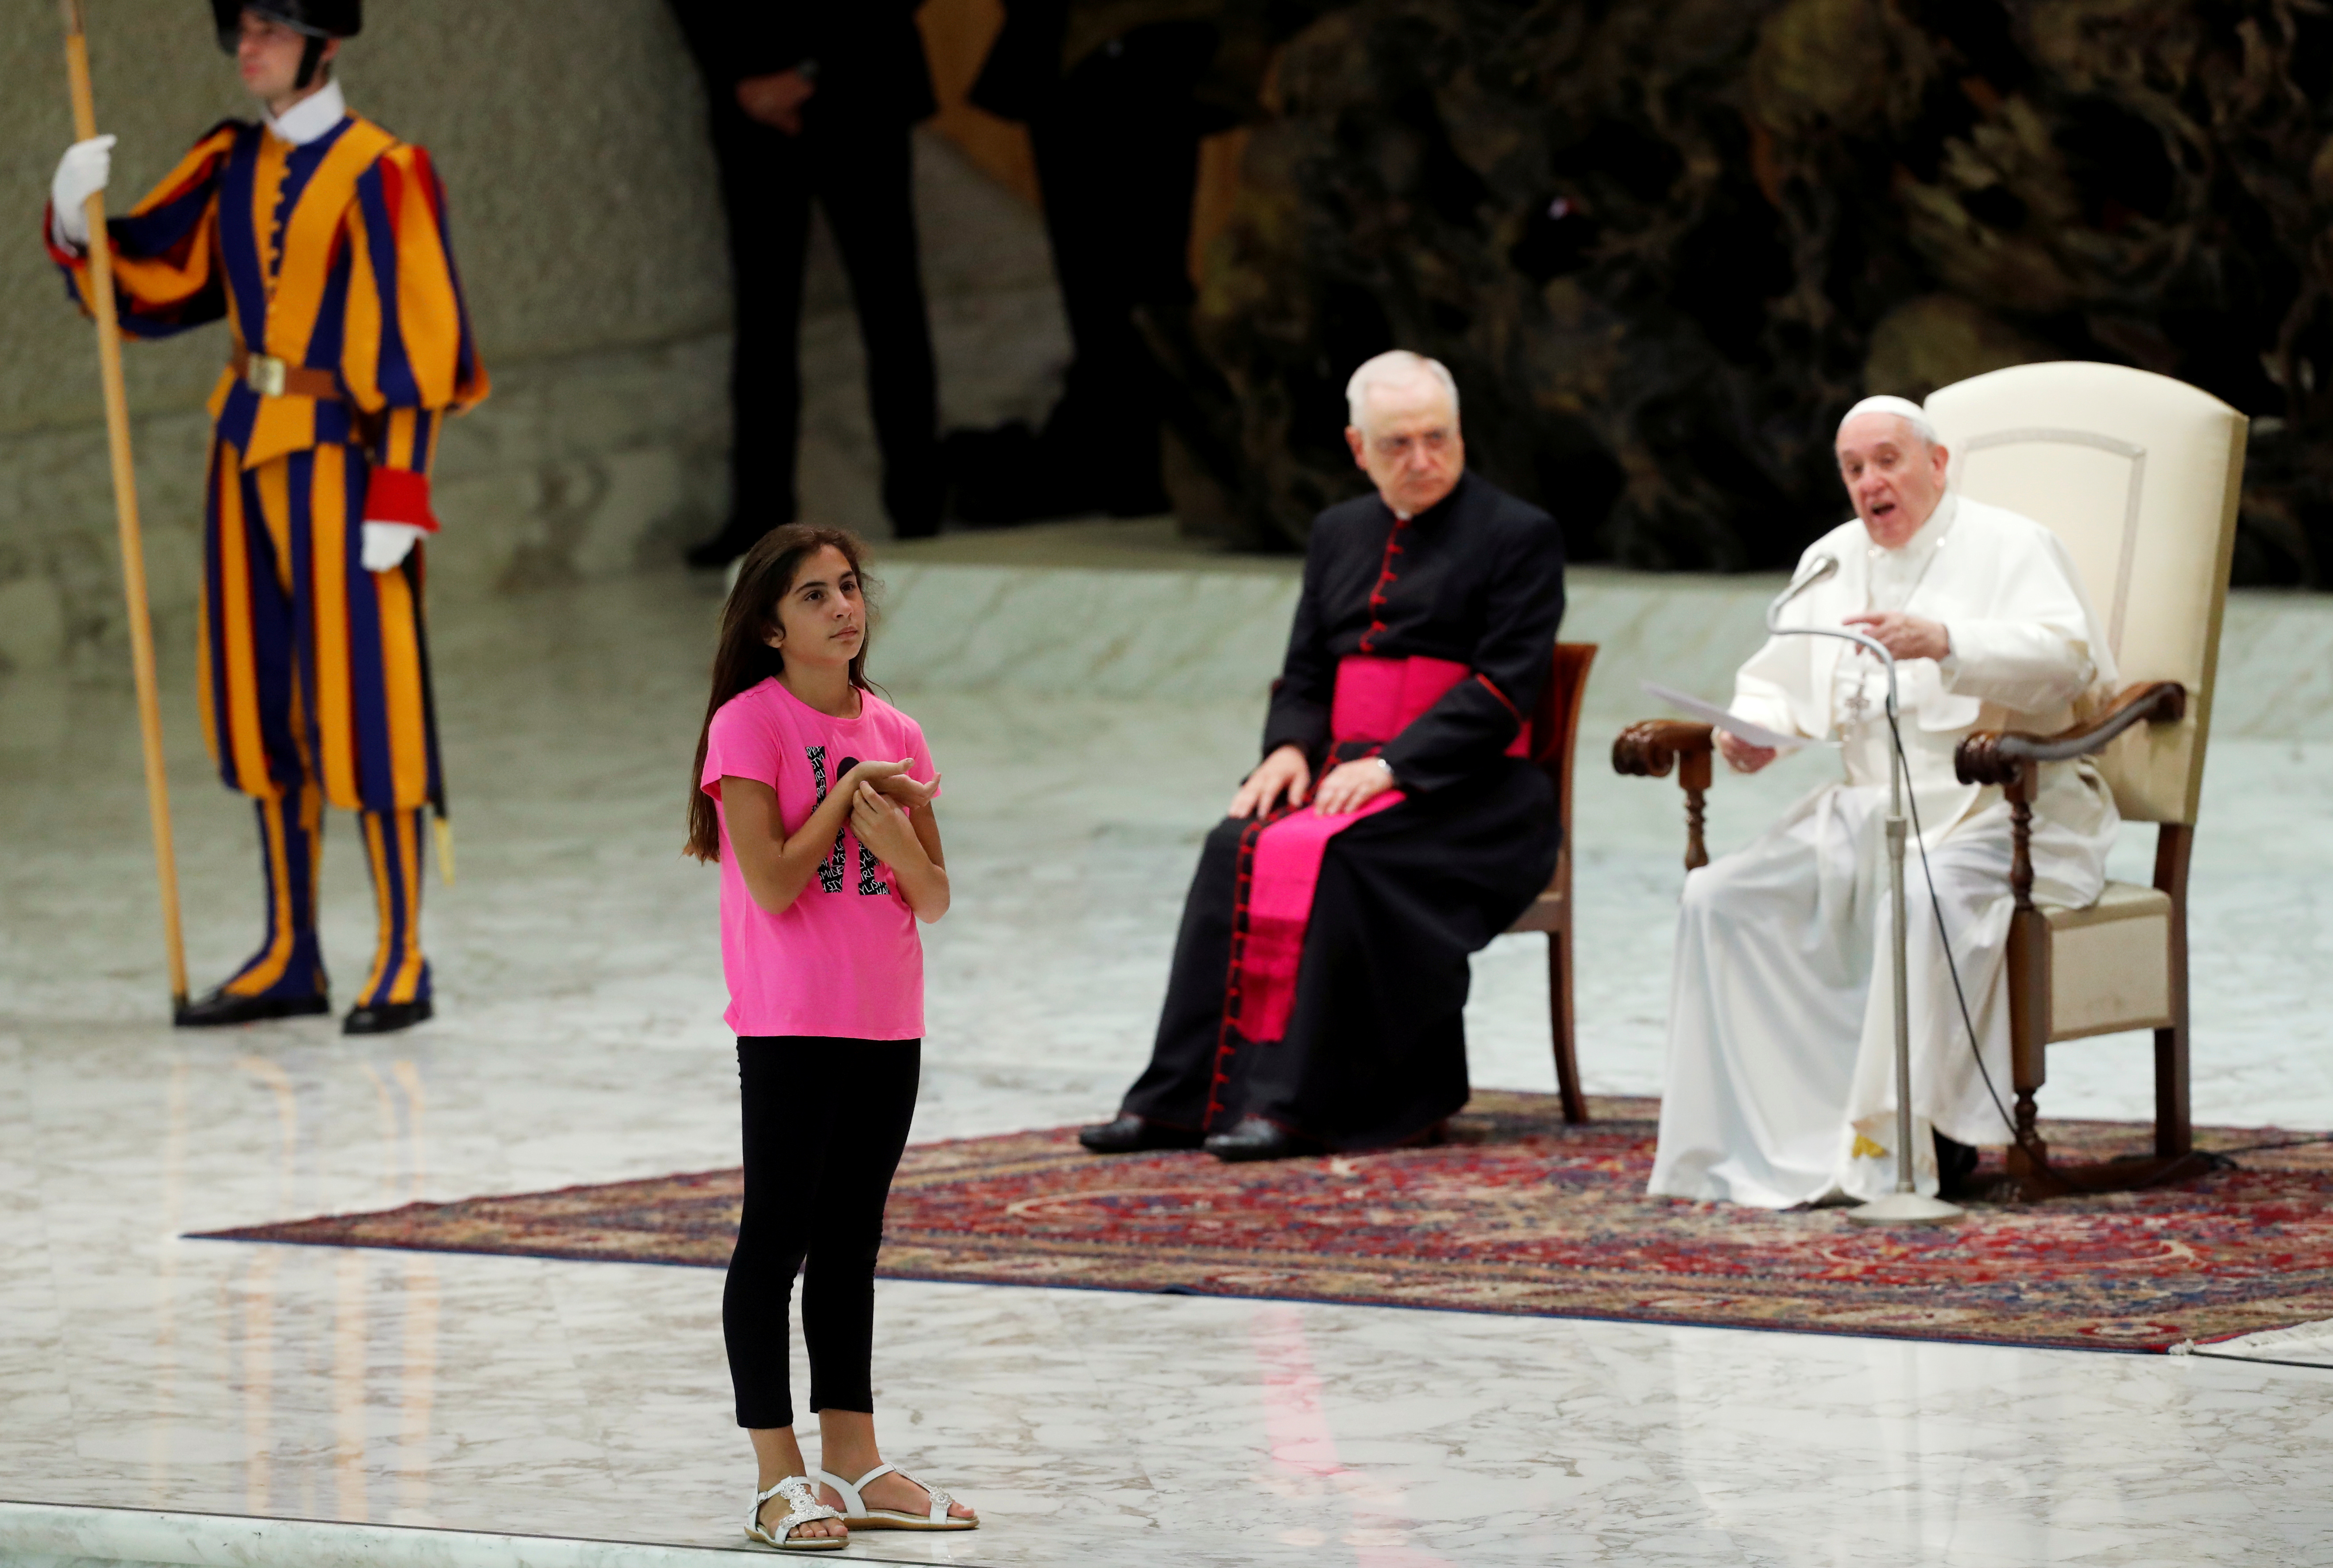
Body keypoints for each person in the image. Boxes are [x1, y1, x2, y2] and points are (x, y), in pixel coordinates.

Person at [44, 0, 487, 1035]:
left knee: (367, 705)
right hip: (242, 448)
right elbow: (154, 279)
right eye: (239, 29)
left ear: (322, 43)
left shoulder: (385, 170)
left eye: (270, 30)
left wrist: (403, 494)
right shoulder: (231, 162)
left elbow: (425, 352)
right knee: (260, 697)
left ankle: (401, 954)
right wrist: (77, 225)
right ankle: (292, 949)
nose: (248, 48)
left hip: (343, 460)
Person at [1080, 351, 1566, 1162]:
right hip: (1343, 772)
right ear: (1357, 448)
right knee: (1231, 842)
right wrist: (1286, 749)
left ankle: (1300, 1105)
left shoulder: (1520, 534)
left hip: (1475, 793)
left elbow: (1502, 687)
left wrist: (1394, 765)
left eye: (1438, 438)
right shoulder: (1339, 532)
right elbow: (1307, 669)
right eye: (1398, 443)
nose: (1422, 459)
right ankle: (1178, 1099)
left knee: (1346, 859)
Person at [1648, 395, 2121, 1209]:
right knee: (1717, 896)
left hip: (2003, 810)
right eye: (1854, 468)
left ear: (1937, 465)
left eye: (1888, 460)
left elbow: (2071, 663)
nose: (1871, 482)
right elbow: (1777, 682)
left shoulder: (2014, 545)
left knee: (1921, 897)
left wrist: (1948, 641)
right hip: (1874, 808)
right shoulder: (1832, 561)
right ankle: (1763, 1135)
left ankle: (1905, 1139)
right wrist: (1751, 733)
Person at [687, 525, 976, 1548]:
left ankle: (853, 1461)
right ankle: (779, 1473)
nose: (842, 608)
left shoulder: (897, 727)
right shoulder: (748, 725)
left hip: (884, 1016)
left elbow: (933, 899)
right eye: (813, 596)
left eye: (848, 587)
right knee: (777, 1237)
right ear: (770, 626)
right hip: (789, 1019)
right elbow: (768, 880)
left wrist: (894, 836)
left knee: (851, 1239)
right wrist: (847, 799)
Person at [670, 0, 945, 565]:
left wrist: (807, 75)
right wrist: (745, 81)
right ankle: (759, 515)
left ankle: (919, 507)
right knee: (765, 311)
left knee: (889, 301)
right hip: (750, 96)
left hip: (862, 79)